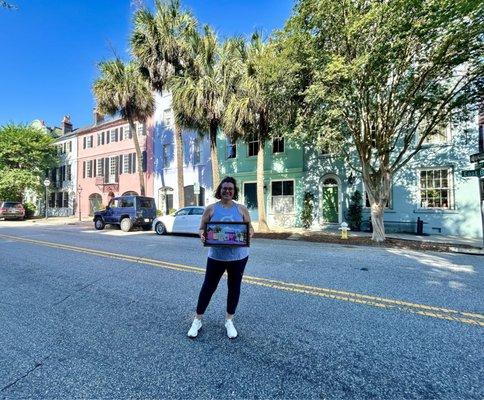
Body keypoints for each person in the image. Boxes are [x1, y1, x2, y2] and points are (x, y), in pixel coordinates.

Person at [187, 176, 254, 339]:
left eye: (230, 188)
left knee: (234, 287)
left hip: (238, 257)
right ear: (220, 190)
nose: (227, 191)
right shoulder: (210, 209)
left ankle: (229, 320)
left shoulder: (241, 209)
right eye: (224, 188)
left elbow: (250, 227)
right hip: (216, 257)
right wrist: (203, 235)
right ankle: (197, 319)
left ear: (234, 191)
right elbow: (202, 229)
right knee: (208, 287)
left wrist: (249, 234)